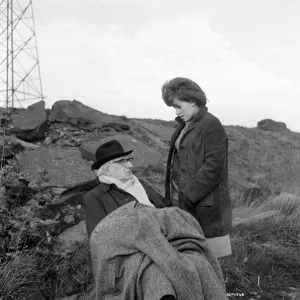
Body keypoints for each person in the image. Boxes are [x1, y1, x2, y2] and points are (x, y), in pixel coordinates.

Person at [83, 139, 229, 300]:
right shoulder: (94, 197)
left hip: (166, 243)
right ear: (107, 169)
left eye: (128, 160)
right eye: (121, 162)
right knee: (156, 275)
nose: (130, 166)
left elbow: (166, 209)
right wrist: (145, 232)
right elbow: (100, 239)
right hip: (129, 256)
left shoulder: (142, 185)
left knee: (198, 262)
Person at [161, 77, 232, 258]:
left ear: (193, 101)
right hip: (182, 202)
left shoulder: (211, 124)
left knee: (212, 262)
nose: (176, 111)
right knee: (190, 258)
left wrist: (189, 196)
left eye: (178, 106)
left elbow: (214, 167)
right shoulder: (184, 125)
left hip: (204, 204)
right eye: (173, 107)